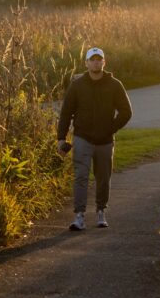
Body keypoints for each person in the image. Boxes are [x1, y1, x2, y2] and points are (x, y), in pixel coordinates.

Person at [56, 47, 132, 231]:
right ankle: (79, 216)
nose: (96, 62)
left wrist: (110, 128)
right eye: (93, 59)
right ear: (86, 63)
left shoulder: (115, 85)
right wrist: (61, 138)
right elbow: (66, 112)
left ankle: (101, 212)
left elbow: (126, 112)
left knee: (103, 178)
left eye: (99, 59)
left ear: (104, 62)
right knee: (81, 177)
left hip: (105, 140)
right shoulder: (77, 85)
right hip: (83, 138)